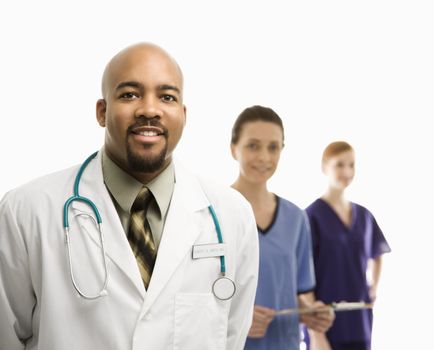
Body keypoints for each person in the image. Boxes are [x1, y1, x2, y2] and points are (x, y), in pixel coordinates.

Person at [0, 42, 259, 350]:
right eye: (129, 94)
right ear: (102, 111)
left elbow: (231, 336)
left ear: (183, 114)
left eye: (167, 97)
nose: (149, 109)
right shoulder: (27, 211)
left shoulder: (232, 215)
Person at [229, 105, 334, 350]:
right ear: (234, 149)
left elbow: (301, 292)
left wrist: (311, 313)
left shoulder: (296, 218)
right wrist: (239, 317)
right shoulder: (213, 212)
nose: (264, 157)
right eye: (253, 146)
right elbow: (194, 298)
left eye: (273, 147)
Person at [305, 141, 391, 350]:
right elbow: (301, 275)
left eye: (351, 165)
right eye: (339, 165)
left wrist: (374, 287)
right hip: (325, 321)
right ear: (324, 167)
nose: (347, 171)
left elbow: (377, 252)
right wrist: (316, 333)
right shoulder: (311, 216)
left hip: (360, 317)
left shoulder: (364, 216)